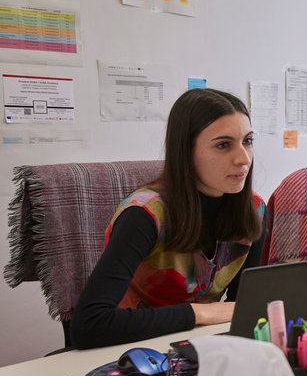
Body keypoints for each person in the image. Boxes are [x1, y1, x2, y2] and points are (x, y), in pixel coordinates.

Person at [71, 88, 266, 349]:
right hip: (131, 350)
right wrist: (200, 313)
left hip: (200, 348)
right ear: (185, 150)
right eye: (223, 145)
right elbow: (89, 325)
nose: (243, 158)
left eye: (248, 141)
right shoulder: (144, 214)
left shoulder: (254, 209)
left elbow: (242, 307)